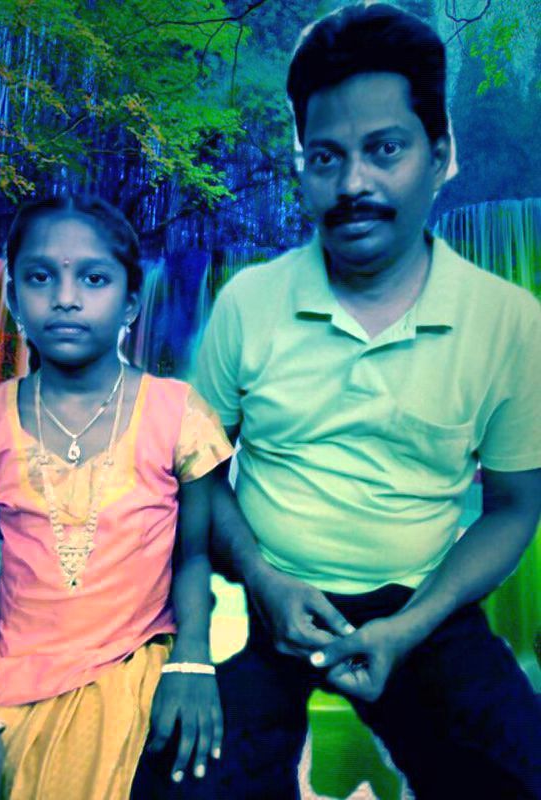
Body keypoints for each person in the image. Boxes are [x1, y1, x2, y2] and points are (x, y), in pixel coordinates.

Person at [136, 4, 541, 799]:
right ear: (303, 167)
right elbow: (198, 476)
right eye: (326, 157)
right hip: (266, 596)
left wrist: (413, 625)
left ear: (440, 154)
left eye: (385, 149)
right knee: (177, 779)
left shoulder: (508, 322)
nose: (353, 184)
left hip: (426, 604)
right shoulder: (249, 304)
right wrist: (262, 581)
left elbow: (512, 508)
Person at [0, 195, 233, 800]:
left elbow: (195, 557)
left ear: (132, 302)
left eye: (94, 279)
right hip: (4, 670)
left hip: (125, 666)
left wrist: (193, 659)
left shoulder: (178, 414)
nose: (66, 298)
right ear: (13, 299)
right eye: (40, 278)